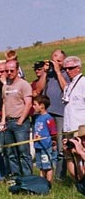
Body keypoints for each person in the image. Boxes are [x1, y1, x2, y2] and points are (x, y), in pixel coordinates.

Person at [0, 58, 34, 177]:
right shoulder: (5, 86)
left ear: (17, 70)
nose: (9, 73)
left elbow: (28, 104)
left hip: (20, 122)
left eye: (11, 70)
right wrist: (3, 120)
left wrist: (20, 121)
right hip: (8, 122)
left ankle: (28, 177)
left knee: (23, 152)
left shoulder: (24, 84)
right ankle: (16, 176)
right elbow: (4, 104)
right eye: (7, 71)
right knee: (10, 152)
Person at [41, 50, 69, 180]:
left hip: (60, 113)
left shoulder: (67, 73)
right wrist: (45, 72)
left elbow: (66, 89)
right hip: (47, 113)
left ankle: (60, 177)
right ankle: (47, 175)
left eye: (58, 61)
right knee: (47, 145)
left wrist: (58, 71)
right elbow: (39, 89)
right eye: (53, 60)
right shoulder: (48, 74)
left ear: (64, 61)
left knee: (61, 147)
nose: (55, 63)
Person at [61, 57, 85, 177]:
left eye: (70, 68)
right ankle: (78, 181)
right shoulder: (68, 86)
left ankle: (82, 179)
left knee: (81, 154)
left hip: (80, 126)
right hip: (69, 126)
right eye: (65, 69)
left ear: (78, 68)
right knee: (70, 154)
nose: (67, 71)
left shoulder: (83, 83)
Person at [31, 94, 57, 184]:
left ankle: (48, 183)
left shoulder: (48, 118)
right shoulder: (37, 117)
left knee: (47, 166)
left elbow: (53, 132)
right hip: (38, 146)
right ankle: (41, 182)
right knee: (41, 166)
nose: (33, 106)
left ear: (42, 106)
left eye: (35, 104)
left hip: (46, 146)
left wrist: (53, 142)